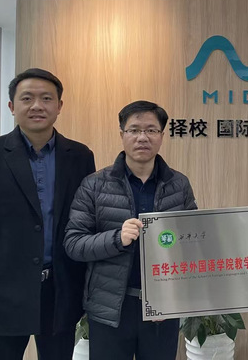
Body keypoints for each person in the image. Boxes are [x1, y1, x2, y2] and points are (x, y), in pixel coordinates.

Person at [0, 68, 96, 360]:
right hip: (2, 294)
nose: (37, 106)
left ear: (59, 106)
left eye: (46, 98)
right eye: (27, 98)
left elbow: (86, 223)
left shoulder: (80, 156)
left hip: (60, 291)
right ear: (12, 106)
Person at [64, 100, 197, 360]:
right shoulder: (94, 185)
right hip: (110, 309)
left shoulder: (179, 184)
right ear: (122, 134)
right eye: (134, 130)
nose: (142, 137)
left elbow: (192, 244)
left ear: (162, 135)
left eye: (151, 130)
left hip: (162, 308)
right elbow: (74, 244)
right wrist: (116, 238)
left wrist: (175, 297)